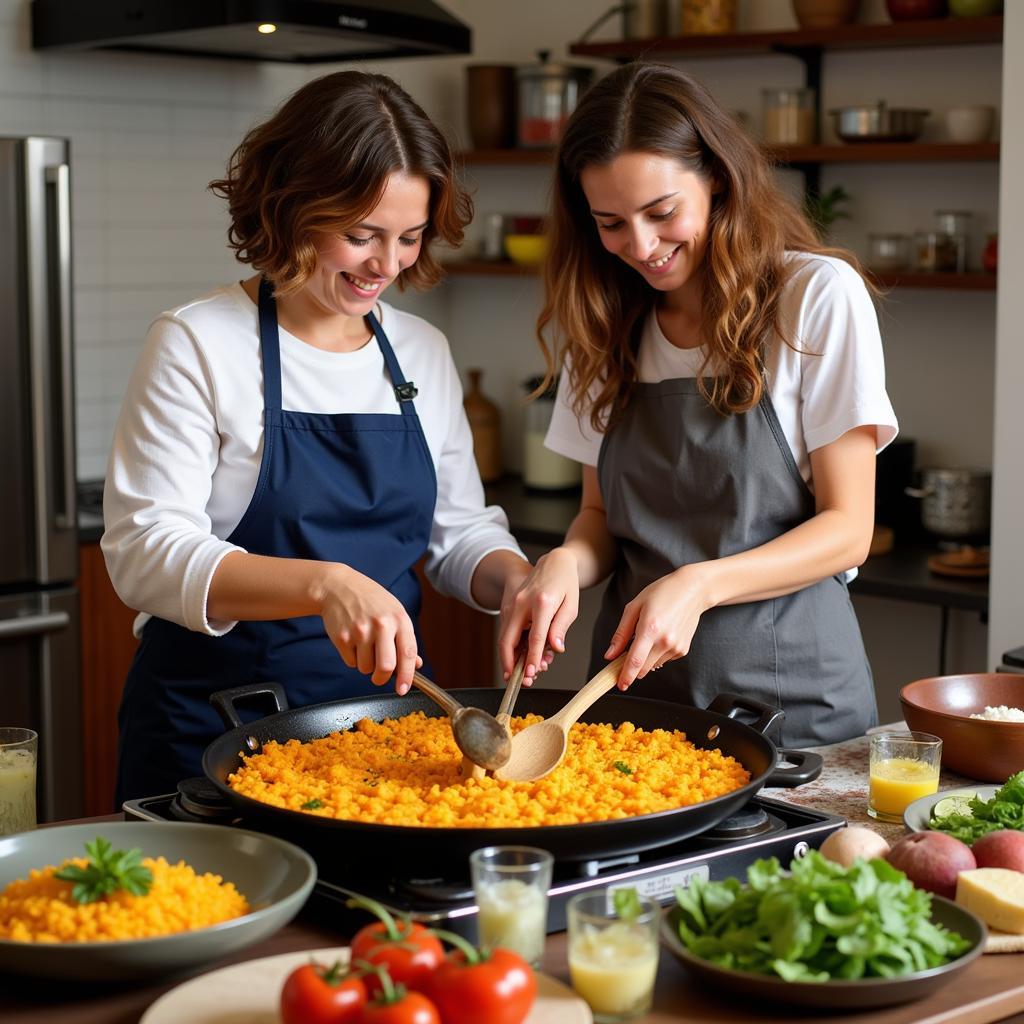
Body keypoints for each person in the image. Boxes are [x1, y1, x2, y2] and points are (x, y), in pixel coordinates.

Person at [103, 71, 536, 803]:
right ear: (294, 206)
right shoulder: (198, 342)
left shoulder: (420, 348)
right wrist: (323, 583)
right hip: (210, 726)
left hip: (377, 736)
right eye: (360, 235)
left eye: (408, 237)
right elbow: (144, 552)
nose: (387, 266)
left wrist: (520, 581)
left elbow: (459, 534)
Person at [498, 63, 899, 748]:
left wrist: (698, 585)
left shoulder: (814, 297)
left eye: (661, 213)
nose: (642, 247)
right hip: (636, 711)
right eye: (611, 224)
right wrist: (565, 561)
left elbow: (847, 528)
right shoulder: (601, 321)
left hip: (794, 716)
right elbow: (599, 517)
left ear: (718, 177)